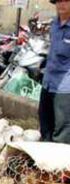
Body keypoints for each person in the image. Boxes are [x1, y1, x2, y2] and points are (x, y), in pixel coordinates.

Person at [39, 0, 70, 144]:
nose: (61, 4)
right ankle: (45, 159)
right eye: (58, 1)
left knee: (63, 127)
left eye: (66, 1)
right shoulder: (55, 25)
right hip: (48, 81)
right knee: (45, 122)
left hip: (65, 86)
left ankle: (61, 163)